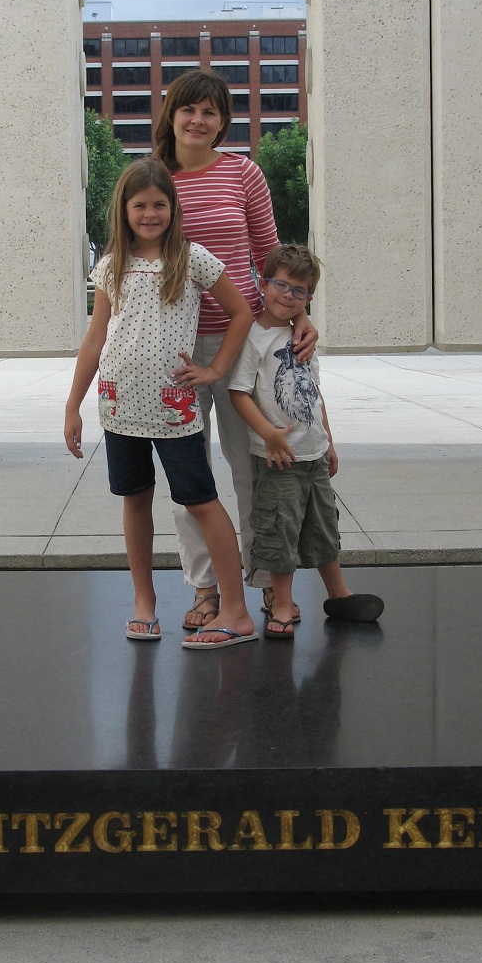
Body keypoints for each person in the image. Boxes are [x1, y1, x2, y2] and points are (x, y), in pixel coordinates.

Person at [64, 157, 257, 649]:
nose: (150, 214)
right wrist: (73, 405)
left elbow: (240, 313)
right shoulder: (112, 265)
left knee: (200, 501)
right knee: (135, 500)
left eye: (159, 204)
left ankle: (236, 612)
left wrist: (215, 370)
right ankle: (144, 604)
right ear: (124, 210)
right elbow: (95, 339)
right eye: (140, 205)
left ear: (173, 208)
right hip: (119, 406)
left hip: (175, 409)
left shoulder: (192, 259)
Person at [154, 69, 317, 631]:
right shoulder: (155, 178)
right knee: (189, 475)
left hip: (244, 339)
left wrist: (301, 314)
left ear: (223, 122)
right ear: (172, 114)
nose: (198, 121)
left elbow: (272, 257)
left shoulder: (243, 172)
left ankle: (266, 581)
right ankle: (205, 588)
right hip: (174, 351)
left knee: (254, 467)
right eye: (189, 109)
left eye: (211, 112)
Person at [227, 245, 384, 637]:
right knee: (280, 530)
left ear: (309, 298)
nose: (288, 296)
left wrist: (329, 441)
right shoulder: (253, 338)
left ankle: (339, 594)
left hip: (313, 453)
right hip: (278, 458)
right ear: (263, 284)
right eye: (281, 285)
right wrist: (268, 434)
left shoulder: (303, 336)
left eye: (299, 291)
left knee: (323, 526)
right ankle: (281, 603)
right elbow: (238, 393)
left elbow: (315, 392)